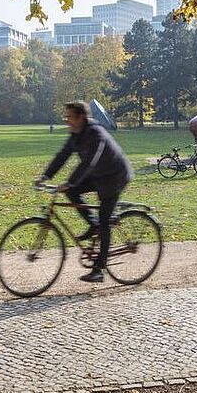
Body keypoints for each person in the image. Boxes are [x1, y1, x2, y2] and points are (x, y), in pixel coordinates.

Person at [38, 101, 134, 283]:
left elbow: (89, 162)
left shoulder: (95, 133)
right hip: (98, 175)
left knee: (104, 219)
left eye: (69, 117)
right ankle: (93, 224)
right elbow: (62, 155)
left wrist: (70, 181)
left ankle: (99, 269)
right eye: (65, 117)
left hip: (115, 176)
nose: (67, 121)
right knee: (71, 192)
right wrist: (46, 176)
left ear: (81, 117)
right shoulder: (76, 134)